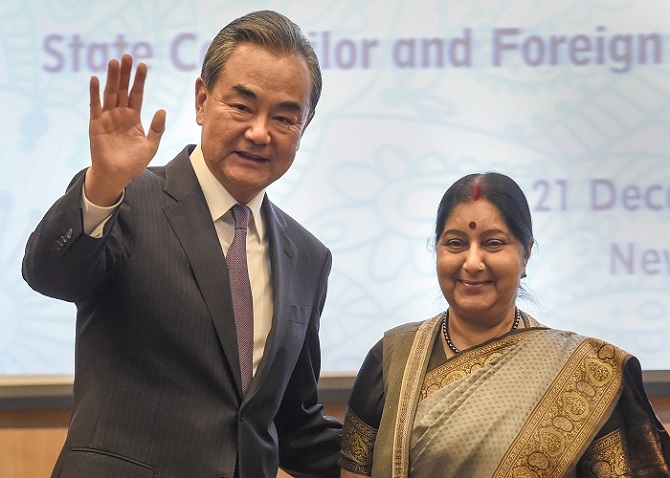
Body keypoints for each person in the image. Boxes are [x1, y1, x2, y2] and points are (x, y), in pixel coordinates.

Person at [22, 10, 342, 478]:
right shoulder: (127, 198)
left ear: (305, 127)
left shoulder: (309, 257)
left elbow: (295, 428)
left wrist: (419, 452)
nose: (259, 132)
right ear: (201, 99)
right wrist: (101, 186)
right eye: (242, 106)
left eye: (284, 117)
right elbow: (49, 273)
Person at [339, 172, 670, 477]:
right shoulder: (391, 358)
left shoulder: (586, 372)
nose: (472, 262)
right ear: (436, 250)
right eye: (455, 243)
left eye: (493, 243)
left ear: (525, 254)